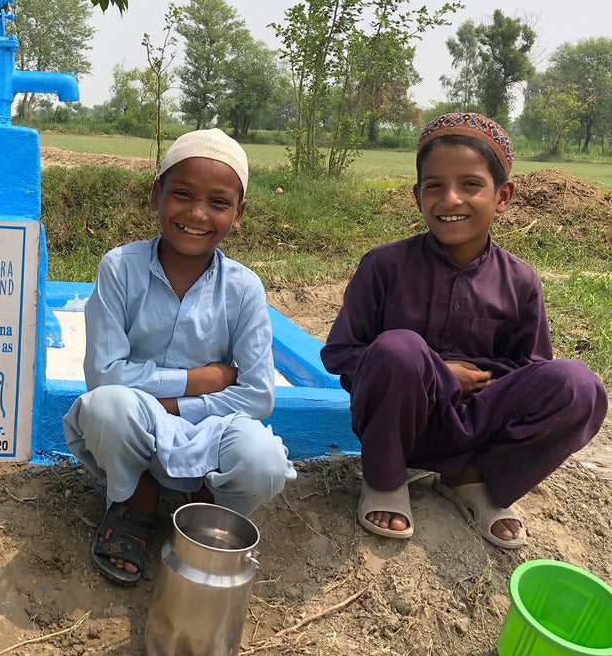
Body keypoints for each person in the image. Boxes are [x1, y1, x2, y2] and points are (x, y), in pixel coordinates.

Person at [322, 112, 606, 548]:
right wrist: (437, 374)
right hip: (398, 425)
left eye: (470, 184)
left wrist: (482, 387)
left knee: (578, 385)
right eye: (434, 186)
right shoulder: (384, 266)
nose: (450, 199)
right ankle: (385, 481)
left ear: (503, 195)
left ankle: (468, 479)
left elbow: (527, 371)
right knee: (400, 348)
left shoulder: (521, 282)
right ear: (418, 196)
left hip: (478, 426)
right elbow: (340, 353)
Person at [63, 128, 296, 586]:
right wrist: (200, 379)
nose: (196, 214)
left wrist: (172, 405)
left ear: (239, 213)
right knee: (108, 409)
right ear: (157, 196)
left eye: (218, 202)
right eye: (183, 195)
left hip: (211, 429)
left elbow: (257, 397)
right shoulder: (119, 269)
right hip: (138, 422)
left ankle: (207, 507)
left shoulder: (244, 288)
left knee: (263, 457)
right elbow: (104, 375)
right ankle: (137, 498)